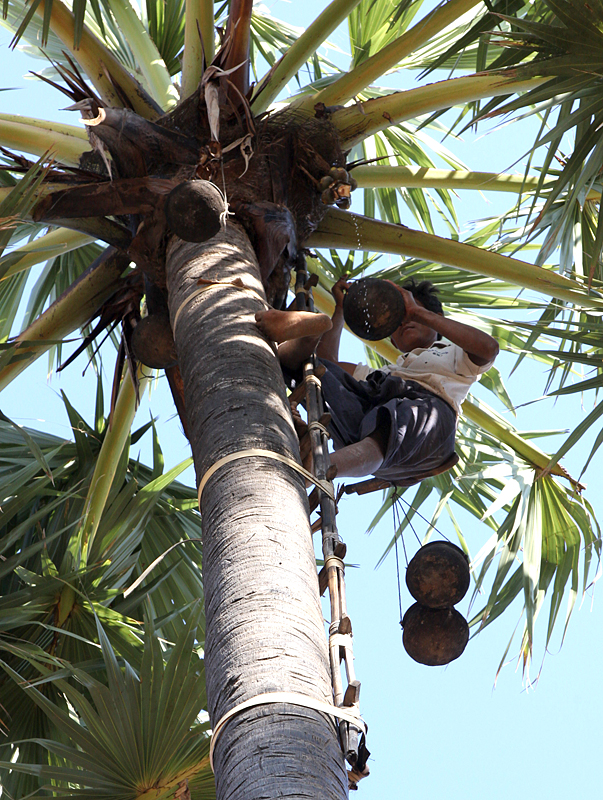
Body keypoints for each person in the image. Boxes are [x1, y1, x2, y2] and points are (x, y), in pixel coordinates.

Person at [255, 276, 499, 484]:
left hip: (427, 425)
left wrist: (418, 312)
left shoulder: (454, 355)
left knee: (390, 419)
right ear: (393, 342)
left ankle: (319, 468)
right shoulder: (385, 374)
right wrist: (340, 310)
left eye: (411, 315)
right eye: (398, 320)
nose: (405, 321)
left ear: (434, 318)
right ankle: (303, 339)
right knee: (318, 371)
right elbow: (331, 365)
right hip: (372, 414)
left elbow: (489, 348)